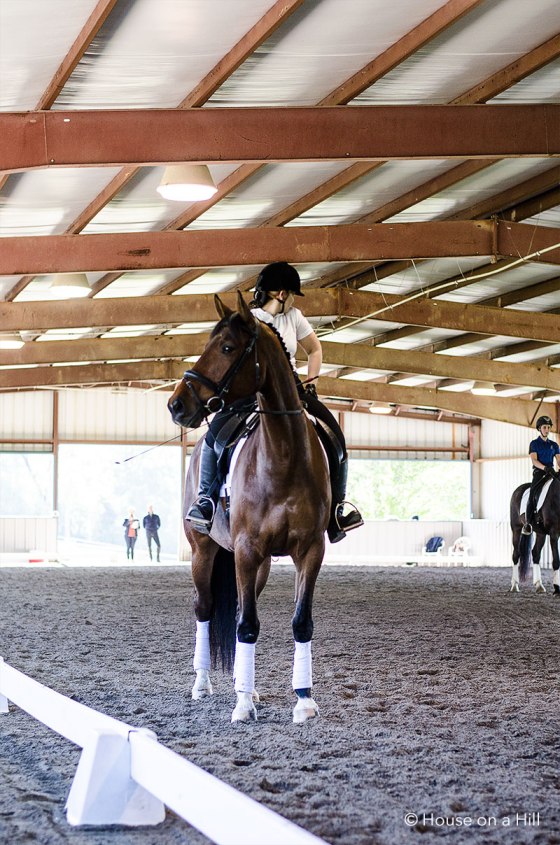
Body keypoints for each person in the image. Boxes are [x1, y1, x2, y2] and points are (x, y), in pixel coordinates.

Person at [187, 261, 363, 543]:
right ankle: (206, 499)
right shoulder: (250, 319)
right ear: (282, 294)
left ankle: (337, 509)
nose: (293, 300)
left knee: (336, 438)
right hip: (251, 391)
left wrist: (311, 382)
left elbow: (315, 349)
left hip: (291, 389)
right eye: (292, 294)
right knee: (212, 438)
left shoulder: (294, 316)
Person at [523, 415, 560, 534]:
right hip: (539, 473)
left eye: (548, 427)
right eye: (544, 427)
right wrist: (545, 467)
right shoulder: (534, 444)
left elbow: (559, 460)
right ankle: (528, 523)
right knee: (533, 493)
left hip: (551, 473)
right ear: (539, 428)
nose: (547, 430)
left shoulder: (554, 445)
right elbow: (534, 460)